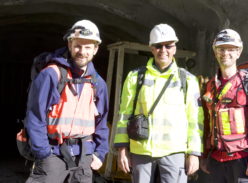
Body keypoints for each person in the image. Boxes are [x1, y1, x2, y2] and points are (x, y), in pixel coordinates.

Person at [113, 23, 204, 183]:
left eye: (168, 46)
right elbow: (124, 115)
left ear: (174, 48)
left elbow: (195, 120)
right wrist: (122, 149)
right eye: (158, 46)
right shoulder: (135, 77)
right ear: (151, 48)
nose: (163, 50)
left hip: (174, 153)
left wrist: (194, 153)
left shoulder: (188, 80)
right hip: (141, 151)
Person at [25, 19, 109, 183]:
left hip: (84, 157)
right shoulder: (51, 74)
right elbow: (35, 115)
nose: (82, 51)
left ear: (95, 49)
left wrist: (100, 152)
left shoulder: (97, 82)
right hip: (53, 153)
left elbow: (101, 121)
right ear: (70, 44)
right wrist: (43, 153)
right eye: (77, 45)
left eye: (88, 47)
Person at [200, 29, 248, 183]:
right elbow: (207, 123)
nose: (226, 53)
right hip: (216, 161)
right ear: (215, 52)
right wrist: (204, 156)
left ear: (239, 52)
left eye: (231, 49)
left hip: (243, 161)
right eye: (221, 49)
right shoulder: (211, 85)